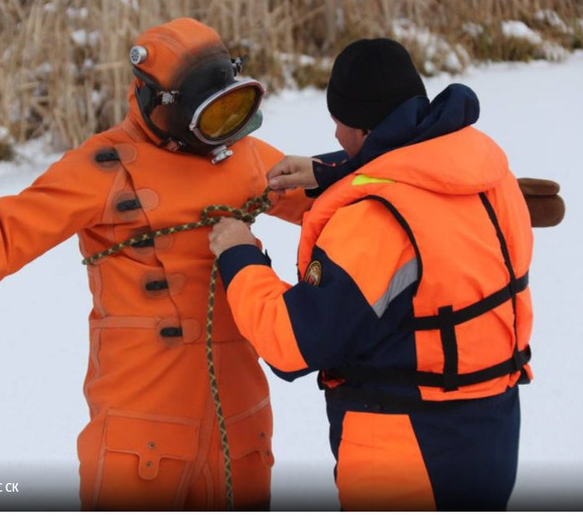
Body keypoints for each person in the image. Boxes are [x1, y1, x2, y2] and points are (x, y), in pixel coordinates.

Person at [0, 18, 313, 510]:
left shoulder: (247, 157)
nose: (217, 132)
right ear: (154, 100)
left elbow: (332, 206)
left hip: (240, 431)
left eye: (228, 112)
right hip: (143, 431)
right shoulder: (106, 166)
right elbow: (18, 221)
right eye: (203, 116)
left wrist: (383, 182)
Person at [209, 38, 564, 510]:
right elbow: (419, 179)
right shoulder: (484, 164)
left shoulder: (377, 225)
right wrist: (331, 171)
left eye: (338, 122)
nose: (334, 135)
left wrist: (239, 256)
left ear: (360, 125)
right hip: (490, 435)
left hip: (409, 456)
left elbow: (291, 344)